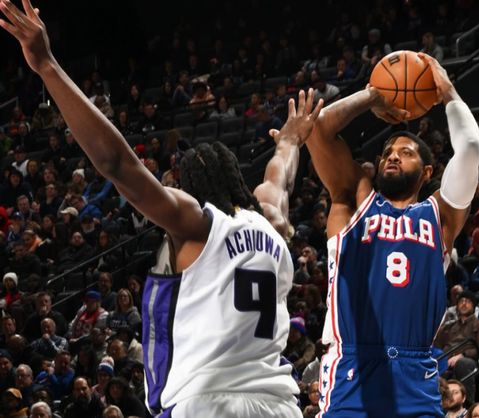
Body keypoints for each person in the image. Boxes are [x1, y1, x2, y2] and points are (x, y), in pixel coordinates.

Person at [0, 4, 322, 417]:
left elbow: (117, 163)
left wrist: (47, 66)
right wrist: (291, 140)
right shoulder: (272, 220)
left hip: (209, 401)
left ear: (193, 189)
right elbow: (280, 174)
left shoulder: (198, 221)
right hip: (277, 403)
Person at [304, 51, 479, 416]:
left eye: (406, 152)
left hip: (416, 372)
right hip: (353, 367)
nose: (393, 156)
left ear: (427, 170)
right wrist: (372, 95)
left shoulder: (440, 216)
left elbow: (470, 148)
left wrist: (448, 92)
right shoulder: (353, 200)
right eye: (387, 152)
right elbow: (317, 129)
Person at [434, 290, 479, 403]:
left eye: (468, 301)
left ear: (474, 306)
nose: (464, 304)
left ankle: (467, 404)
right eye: (461, 301)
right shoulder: (449, 327)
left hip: (470, 362)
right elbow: (436, 346)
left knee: (463, 363)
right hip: (445, 360)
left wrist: (462, 355)